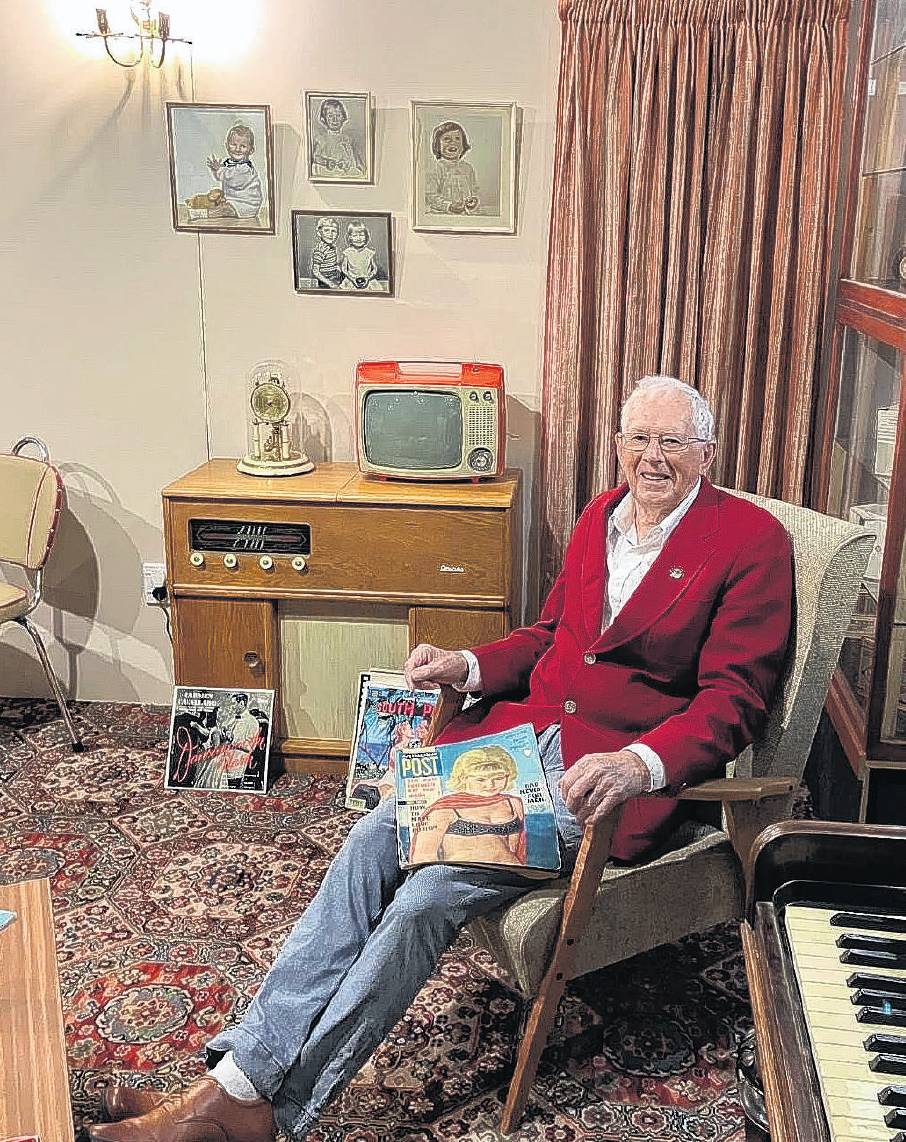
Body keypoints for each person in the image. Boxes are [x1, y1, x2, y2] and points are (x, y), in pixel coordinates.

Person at [89, 376, 793, 1142]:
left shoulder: (749, 542)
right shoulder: (602, 514)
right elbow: (549, 637)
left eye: (672, 443)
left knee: (428, 897)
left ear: (708, 453)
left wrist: (639, 764)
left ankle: (267, 1116)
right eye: (638, 439)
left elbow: (735, 700)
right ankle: (238, 1082)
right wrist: (468, 664)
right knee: (369, 840)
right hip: (514, 750)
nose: (651, 458)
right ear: (619, 443)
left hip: (600, 784)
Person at [408, 745, 526, 866]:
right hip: (464, 878)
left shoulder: (513, 803)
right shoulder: (444, 809)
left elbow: (514, 848)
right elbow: (423, 857)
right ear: (463, 778)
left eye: (499, 778)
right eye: (480, 779)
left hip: (511, 875)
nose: (490, 785)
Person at [205, 123, 263, 221]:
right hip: (232, 200)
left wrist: (219, 170)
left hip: (246, 204)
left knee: (224, 210)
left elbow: (233, 181)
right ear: (227, 146)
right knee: (214, 199)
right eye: (234, 145)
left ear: (251, 150)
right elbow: (220, 177)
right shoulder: (228, 163)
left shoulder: (245, 168)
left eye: (243, 146)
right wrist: (215, 170)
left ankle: (201, 214)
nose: (237, 149)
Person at [424, 121, 480, 215]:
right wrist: (449, 206)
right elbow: (430, 196)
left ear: (463, 145)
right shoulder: (436, 168)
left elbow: (474, 190)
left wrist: (473, 201)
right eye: (447, 139)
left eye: (457, 138)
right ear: (438, 145)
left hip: (464, 214)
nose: (453, 142)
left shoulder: (467, 168)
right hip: (441, 214)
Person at [310, 97, 363, 178]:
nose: (335, 119)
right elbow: (316, 157)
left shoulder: (347, 140)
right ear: (323, 119)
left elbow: (353, 160)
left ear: (343, 118)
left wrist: (345, 164)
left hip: (343, 173)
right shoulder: (322, 138)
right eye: (330, 116)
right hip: (327, 171)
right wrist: (326, 162)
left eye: (338, 115)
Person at [339, 220, 380, 290]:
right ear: (350, 238)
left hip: (367, 280)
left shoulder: (369, 253)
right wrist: (352, 278)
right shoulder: (347, 252)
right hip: (351, 280)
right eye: (355, 235)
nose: (358, 238)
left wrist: (368, 278)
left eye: (361, 235)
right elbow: (344, 269)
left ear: (366, 237)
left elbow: (375, 268)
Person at [308, 216, 343, 289]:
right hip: (325, 279)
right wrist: (329, 283)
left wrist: (338, 268)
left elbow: (330, 263)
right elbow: (316, 271)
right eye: (326, 230)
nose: (330, 234)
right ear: (319, 233)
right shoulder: (320, 250)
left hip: (335, 274)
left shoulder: (332, 247)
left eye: (333, 231)